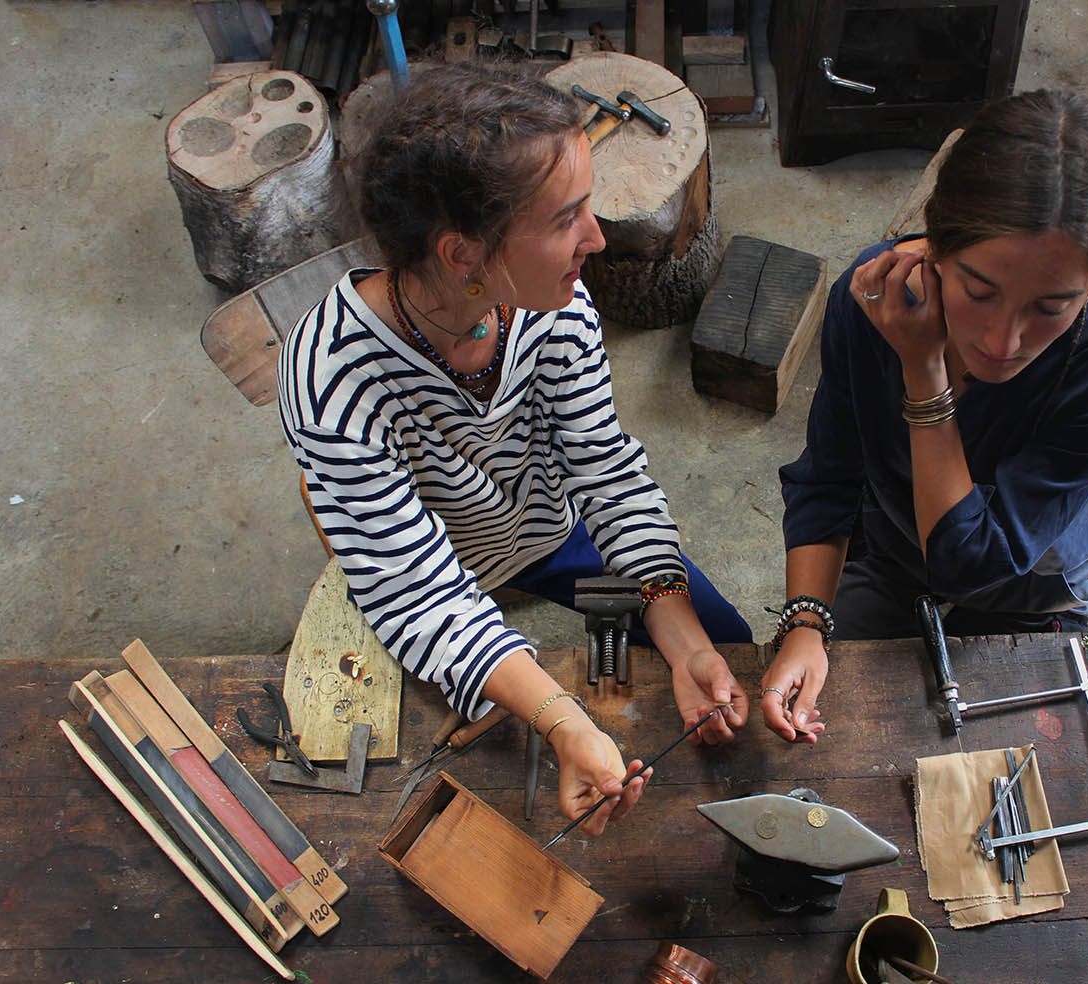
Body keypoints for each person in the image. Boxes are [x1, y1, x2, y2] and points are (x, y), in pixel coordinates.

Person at [277, 61, 750, 834]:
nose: (596, 240)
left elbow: (607, 476)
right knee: (441, 779)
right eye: (567, 219)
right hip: (443, 570)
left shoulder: (551, 306)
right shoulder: (333, 381)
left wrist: (679, 630)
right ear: (463, 255)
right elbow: (424, 598)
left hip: (556, 537)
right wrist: (563, 720)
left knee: (726, 648)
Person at [761, 90, 1088, 743]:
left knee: (1022, 755)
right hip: (899, 550)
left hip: (1034, 581)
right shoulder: (872, 300)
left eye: (1052, 307)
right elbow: (827, 479)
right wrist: (807, 622)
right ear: (934, 248)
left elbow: (973, 562)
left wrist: (923, 374)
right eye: (979, 293)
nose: (1004, 343)